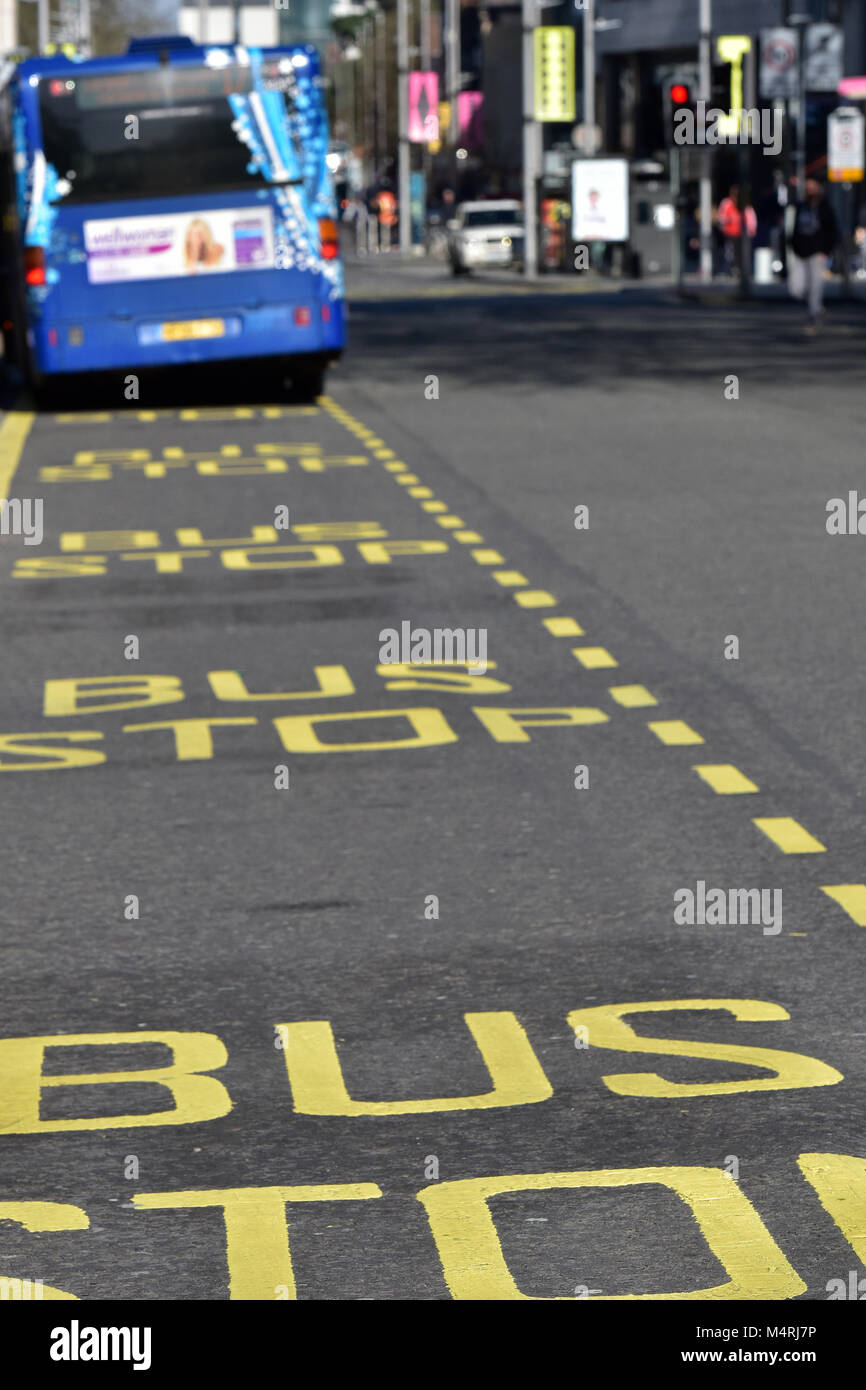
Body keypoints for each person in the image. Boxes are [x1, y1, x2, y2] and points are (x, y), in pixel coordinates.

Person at [788, 176, 838, 333]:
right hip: (800, 252)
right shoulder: (801, 206)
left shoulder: (825, 208)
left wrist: (826, 251)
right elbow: (795, 228)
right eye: (807, 187)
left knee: (816, 286)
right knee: (796, 288)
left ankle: (813, 316)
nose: (809, 190)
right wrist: (793, 244)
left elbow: (832, 231)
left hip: (817, 253)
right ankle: (817, 308)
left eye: (812, 187)